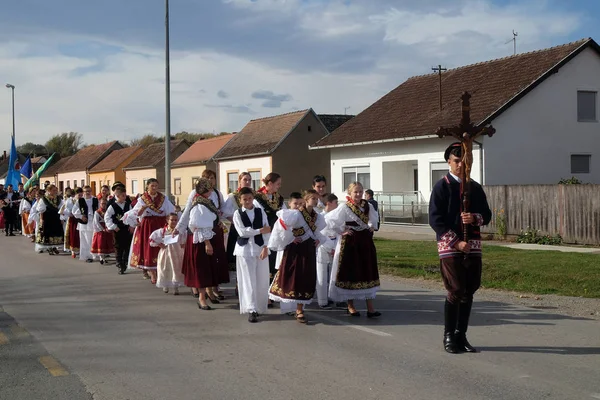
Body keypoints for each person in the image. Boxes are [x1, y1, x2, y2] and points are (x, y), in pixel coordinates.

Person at [428, 142, 491, 354]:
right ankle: (448, 336)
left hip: (472, 245)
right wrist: (456, 241)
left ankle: (461, 334)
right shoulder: (442, 186)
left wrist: (475, 218)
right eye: (456, 161)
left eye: (464, 161)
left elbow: (487, 215)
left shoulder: (475, 187)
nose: (460, 165)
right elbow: (435, 220)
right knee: (455, 289)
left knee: (469, 289)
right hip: (451, 246)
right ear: (448, 162)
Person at [268, 190, 328, 324]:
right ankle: (293, 307)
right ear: (306, 199)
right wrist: (290, 239)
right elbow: (281, 227)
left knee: (306, 276)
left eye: (317, 198)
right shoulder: (295, 214)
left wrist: (319, 239)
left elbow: (318, 231)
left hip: (309, 249)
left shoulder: (317, 217)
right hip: (295, 250)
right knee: (294, 276)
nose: (315, 201)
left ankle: (300, 308)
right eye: (313, 198)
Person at [325, 182, 381, 318]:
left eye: (360, 191)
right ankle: (350, 305)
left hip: (365, 242)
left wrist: (371, 226)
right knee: (351, 271)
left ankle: (370, 308)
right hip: (351, 242)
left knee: (367, 271)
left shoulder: (367, 205)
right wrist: (341, 231)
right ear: (349, 193)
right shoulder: (344, 207)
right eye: (355, 192)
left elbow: (374, 220)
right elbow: (329, 220)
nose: (358, 194)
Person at [178, 178, 226, 310]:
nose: (211, 190)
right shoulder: (199, 204)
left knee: (208, 269)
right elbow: (198, 225)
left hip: (209, 238)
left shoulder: (206, 202)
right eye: (209, 188)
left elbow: (210, 219)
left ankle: (207, 295)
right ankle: (202, 298)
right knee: (202, 270)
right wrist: (207, 243)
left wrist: (218, 222)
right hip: (201, 241)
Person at [232, 187, 271, 323]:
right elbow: (243, 232)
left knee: (261, 278)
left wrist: (266, 246)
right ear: (240, 200)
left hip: (260, 248)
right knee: (248, 280)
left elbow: (268, 230)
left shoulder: (260, 211)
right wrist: (260, 230)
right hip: (245, 250)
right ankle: (251, 308)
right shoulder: (237, 214)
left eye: (249, 198)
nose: (247, 201)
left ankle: (260, 306)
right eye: (244, 199)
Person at [130, 178, 175, 284]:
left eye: (156, 186)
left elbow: (169, 211)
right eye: (152, 186)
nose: (154, 188)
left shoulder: (163, 198)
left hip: (160, 223)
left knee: (160, 247)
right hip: (147, 225)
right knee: (148, 247)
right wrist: (141, 210)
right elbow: (136, 213)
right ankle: (152, 272)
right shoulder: (142, 199)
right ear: (147, 186)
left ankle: (159, 269)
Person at [254, 172, 285, 306]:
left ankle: (273, 293)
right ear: (270, 184)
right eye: (278, 184)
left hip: (276, 235)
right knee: (265, 266)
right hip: (264, 236)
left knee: (274, 265)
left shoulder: (279, 198)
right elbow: (260, 218)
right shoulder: (258, 199)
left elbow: (284, 214)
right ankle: (264, 295)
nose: (279, 186)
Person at [150, 213, 187, 294]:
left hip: (177, 252)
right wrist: (160, 244)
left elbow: (183, 241)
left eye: (175, 220)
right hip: (166, 253)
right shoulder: (162, 231)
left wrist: (183, 244)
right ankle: (165, 285)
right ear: (167, 220)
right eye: (171, 220)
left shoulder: (180, 232)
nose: (174, 222)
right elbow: (152, 239)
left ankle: (175, 286)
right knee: (164, 268)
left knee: (176, 269)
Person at [224, 172, 253, 274]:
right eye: (245, 179)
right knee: (238, 257)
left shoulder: (255, 195)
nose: (248, 182)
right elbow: (225, 212)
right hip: (237, 229)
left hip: (252, 229)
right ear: (239, 181)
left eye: (249, 180)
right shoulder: (232, 196)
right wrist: (237, 221)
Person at [316, 193, 339, 309]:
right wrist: (330, 247)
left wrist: (335, 247)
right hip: (323, 247)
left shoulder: (336, 216)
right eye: (336, 203)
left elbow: (338, 233)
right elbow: (321, 235)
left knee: (334, 274)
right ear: (329, 203)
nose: (337, 205)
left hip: (334, 247)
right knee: (322, 275)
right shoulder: (321, 217)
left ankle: (334, 297)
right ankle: (322, 301)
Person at [105, 186, 134, 275]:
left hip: (126, 228)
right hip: (118, 229)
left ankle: (125, 262)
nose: (124, 197)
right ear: (117, 196)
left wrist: (132, 225)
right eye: (122, 196)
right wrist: (113, 226)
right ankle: (119, 263)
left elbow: (132, 215)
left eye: (125, 195)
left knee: (127, 246)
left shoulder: (127, 205)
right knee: (118, 246)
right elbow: (107, 217)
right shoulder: (112, 206)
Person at [34, 185, 64, 255]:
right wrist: (41, 219)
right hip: (47, 217)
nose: (55, 191)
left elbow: (62, 208)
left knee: (55, 232)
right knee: (48, 232)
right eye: (53, 190)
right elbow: (41, 210)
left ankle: (54, 247)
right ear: (49, 191)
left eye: (55, 190)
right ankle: (49, 248)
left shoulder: (58, 199)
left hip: (56, 217)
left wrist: (62, 218)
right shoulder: (44, 199)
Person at [73, 185, 98, 263]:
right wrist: (81, 216)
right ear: (83, 192)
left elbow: (100, 209)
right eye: (86, 191)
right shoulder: (80, 201)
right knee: (85, 240)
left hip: (93, 221)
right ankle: (87, 256)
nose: (87, 193)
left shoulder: (95, 200)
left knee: (92, 239)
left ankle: (94, 254)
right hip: (84, 223)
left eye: (89, 191)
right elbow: (74, 210)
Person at [91, 198, 114, 264]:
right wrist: (101, 229)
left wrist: (108, 227)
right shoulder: (97, 212)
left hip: (107, 228)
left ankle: (104, 256)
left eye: (105, 203)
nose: (103, 205)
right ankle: (101, 257)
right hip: (100, 230)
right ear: (100, 204)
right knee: (100, 243)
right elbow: (96, 222)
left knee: (106, 243)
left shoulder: (108, 211)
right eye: (102, 203)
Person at [62, 188, 81, 258]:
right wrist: (71, 213)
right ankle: (73, 250)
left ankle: (80, 249)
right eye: (77, 193)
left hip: (80, 219)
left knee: (79, 235)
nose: (79, 194)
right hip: (73, 219)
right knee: (73, 234)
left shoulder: (83, 200)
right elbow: (64, 210)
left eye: (80, 192)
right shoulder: (70, 201)